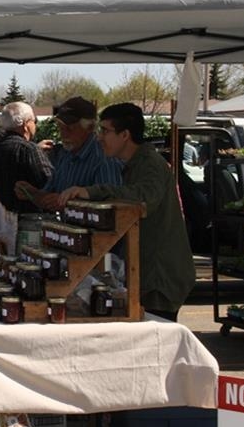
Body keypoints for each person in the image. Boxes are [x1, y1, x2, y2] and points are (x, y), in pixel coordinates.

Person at [58, 103, 195, 321]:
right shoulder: (132, 163)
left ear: (125, 135)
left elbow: (142, 197)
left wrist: (92, 192)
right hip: (145, 275)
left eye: (105, 131)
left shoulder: (150, 163)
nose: (100, 137)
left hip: (159, 278)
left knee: (156, 344)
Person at [15, 96, 121, 211]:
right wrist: (33, 194)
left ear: (90, 128)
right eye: (61, 127)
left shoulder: (104, 160)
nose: (64, 134)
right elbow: (49, 195)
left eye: (70, 128)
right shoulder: (65, 155)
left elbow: (111, 211)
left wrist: (67, 204)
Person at [0, 102, 53, 213]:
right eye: (34, 121)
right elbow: (49, 183)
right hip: (28, 218)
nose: (35, 125)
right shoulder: (28, 150)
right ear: (26, 124)